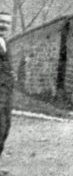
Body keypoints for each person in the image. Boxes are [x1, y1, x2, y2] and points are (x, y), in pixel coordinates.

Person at [0, 11, 12, 159]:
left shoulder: (5, 42)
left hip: (6, 93)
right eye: (1, 21)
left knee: (5, 128)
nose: (4, 25)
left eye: (7, 23)